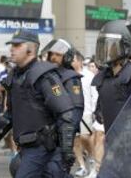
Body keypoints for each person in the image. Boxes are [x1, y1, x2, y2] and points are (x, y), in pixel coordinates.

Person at [0, 29, 82, 177]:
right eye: (12, 45)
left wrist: (66, 151)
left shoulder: (45, 75)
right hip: (26, 147)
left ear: (30, 50)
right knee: (17, 168)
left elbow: (66, 113)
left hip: (43, 147)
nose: (12, 49)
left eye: (17, 45)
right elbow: (11, 113)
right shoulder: (14, 76)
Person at [41, 39, 86, 176]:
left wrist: (65, 139)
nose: (53, 57)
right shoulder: (47, 76)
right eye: (51, 54)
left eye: (57, 55)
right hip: (44, 137)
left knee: (55, 172)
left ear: (66, 57)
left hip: (60, 136)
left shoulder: (70, 78)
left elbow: (75, 112)